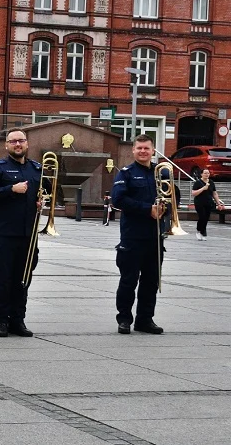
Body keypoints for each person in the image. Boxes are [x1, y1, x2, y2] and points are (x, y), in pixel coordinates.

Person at [0, 129, 43, 337]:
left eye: (21, 141)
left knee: (23, 279)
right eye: (13, 141)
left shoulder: (37, 168)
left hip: (28, 234)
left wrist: (41, 201)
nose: (18, 144)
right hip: (3, 234)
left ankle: (18, 320)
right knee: (2, 280)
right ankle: (1, 321)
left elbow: (48, 192)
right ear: (7, 145)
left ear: (27, 144)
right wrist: (11, 189)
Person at [111, 134, 166, 335]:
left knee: (151, 282)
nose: (143, 151)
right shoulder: (126, 174)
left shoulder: (161, 173)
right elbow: (118, 200)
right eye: (139, 148)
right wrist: (147, 209)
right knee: (128, 280)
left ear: (153, 151)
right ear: (133, 150)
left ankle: (145, 319)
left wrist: (164, 208)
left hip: (155, 237)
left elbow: (172, 196)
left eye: (147, 148)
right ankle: (124, 319)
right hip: (132, 237)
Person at [191, 169, 224, 241]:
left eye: (208, 173)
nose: (207, 174)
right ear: (201, 174)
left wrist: (219, 203)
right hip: (199, 202)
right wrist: (203, 188)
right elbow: (193, 193)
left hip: (209, 202)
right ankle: (199, 231)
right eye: (205, 173)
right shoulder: (198, 182)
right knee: (202, 217)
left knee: (206, 218)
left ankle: (203, 232)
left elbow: (214, 193)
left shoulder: (211, 182)